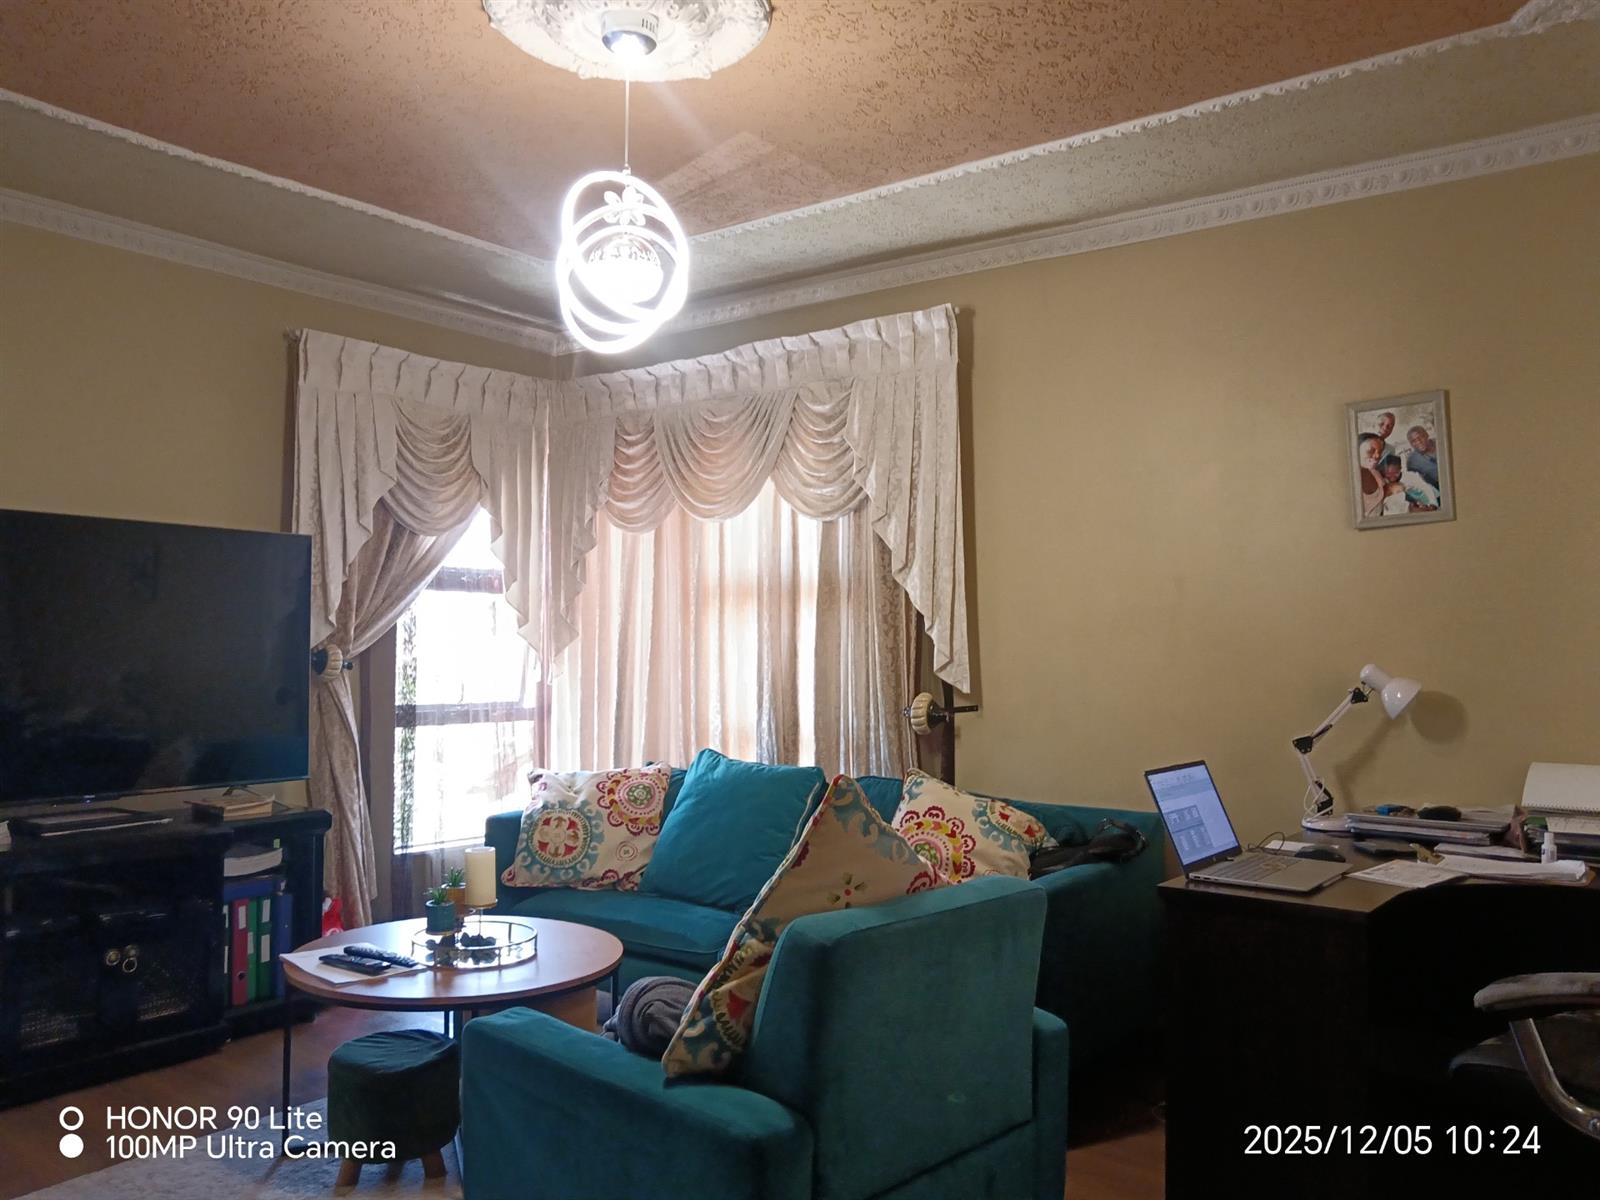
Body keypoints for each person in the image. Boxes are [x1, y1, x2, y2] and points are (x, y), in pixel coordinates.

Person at [1356, 433, 1387, 517]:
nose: (1377, 456)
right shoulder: (1347, 480)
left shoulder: (1376, 474)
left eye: (1380, 451)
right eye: (1371, 450)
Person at [1405, 425, 1439, 490]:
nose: (1419, 442)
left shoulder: (1440, 443)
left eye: (1420, 437)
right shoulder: (1412, 461)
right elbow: (1414, 482)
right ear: (1411, 444)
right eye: (1413, 441)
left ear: (1427, 435)